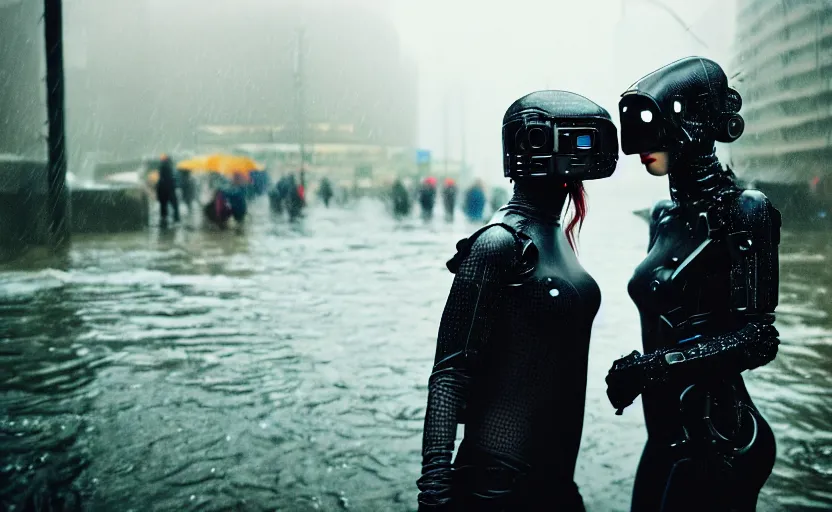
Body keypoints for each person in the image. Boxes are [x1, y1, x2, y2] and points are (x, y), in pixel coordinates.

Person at [417, 90, 619, 510]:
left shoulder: (557, 239)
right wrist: (434, 494)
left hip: (557, 484)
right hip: (496, 486)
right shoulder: (498, 243)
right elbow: (450, 372)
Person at [606, 56, 781, 512]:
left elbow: (759, 340)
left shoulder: (745, 210)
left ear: (691, 124)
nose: (644, 144)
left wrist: (654, 366)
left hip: (720, 438)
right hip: (663, 436)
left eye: (656, 125)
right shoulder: (663, 216)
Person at [156, 154, 179, 227]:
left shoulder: (162, 168)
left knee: (163, 207)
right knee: (175, 206)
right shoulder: (169, 169)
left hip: (163, 192)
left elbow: (160, 183)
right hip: (169, 191)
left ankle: (164, 220)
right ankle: (176, 220)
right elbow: (172, 181)